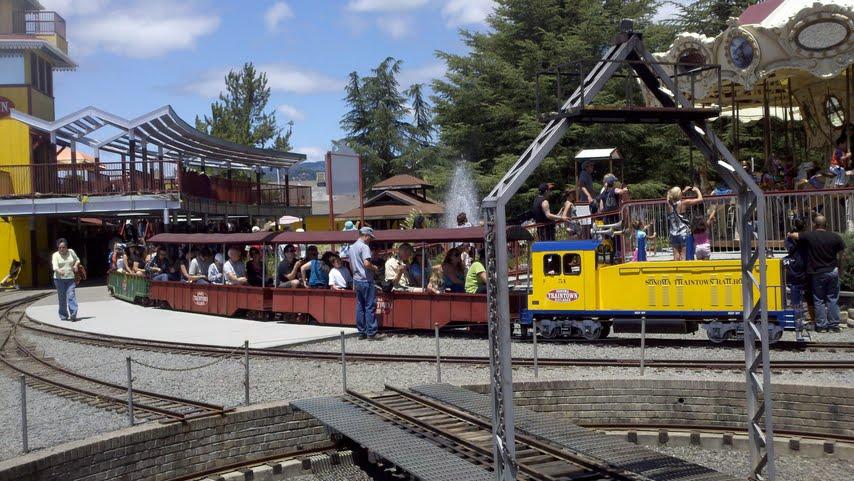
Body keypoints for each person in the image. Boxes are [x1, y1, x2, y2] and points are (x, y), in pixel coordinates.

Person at [787, 215, 845, 332]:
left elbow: (795, 236)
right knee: (833, 298)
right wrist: (840, 268)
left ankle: (822, 326)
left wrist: (789, 234)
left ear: (814, 225)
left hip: (817, 273)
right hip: (833, 271)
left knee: (819, 300)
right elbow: (842, 254)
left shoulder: (810, 235)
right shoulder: (835, 237)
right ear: (826, 225)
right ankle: (834, 326)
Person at [349, 227, 380, 340]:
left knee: (360, 306)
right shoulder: (365, 247)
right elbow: (367, 263)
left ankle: (361, 332)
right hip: (366, 280)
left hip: (357, 280)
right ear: (366, 235)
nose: (370, 240)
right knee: (369, 306)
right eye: (370, 237)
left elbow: (351, 265)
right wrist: (375, 268)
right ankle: (371, 332)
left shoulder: (352, 247)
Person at [784, 217, 810, 334]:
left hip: (800, 265)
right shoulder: (795, 238)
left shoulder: (803, 237)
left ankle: (799, 313)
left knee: (798, 290)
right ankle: (798, 314)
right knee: (796, 289)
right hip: (798, 265)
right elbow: (791, 249)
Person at [666, 186, 703, 261]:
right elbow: (700, 199)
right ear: (679, 194)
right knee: (683, 254)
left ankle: (676, 271)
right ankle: (682, 271)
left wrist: (682, 191)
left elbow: (668, 195)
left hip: (673, 232)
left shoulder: (669, 204)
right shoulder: (684, 203)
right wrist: (697, 190)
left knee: (676, 255)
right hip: (683, 232)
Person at [52, 238, 81, 322]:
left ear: (66, 247)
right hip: (59, 279)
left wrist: (75, 265)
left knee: (71, 296)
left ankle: (73, 314)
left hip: (70, 278)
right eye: (60, 247)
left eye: (63, 247)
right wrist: (58, 271)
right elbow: (55, 266)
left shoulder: (71, 252)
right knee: (62, 297)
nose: (62, 249)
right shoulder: (55, 255)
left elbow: (77, 259)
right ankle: (63, 315)